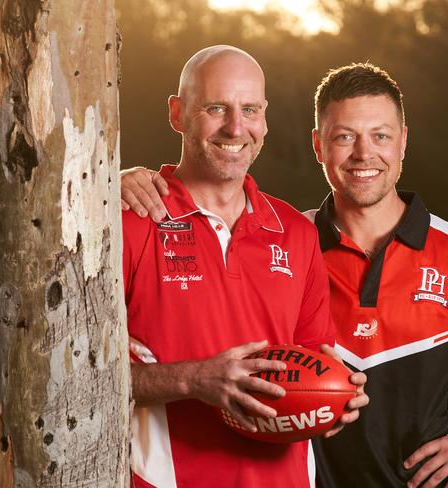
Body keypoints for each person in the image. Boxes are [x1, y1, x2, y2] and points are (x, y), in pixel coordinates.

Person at [122, 63, 448, 487]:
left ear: (403, 143)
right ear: (318, 144)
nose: (364, 154)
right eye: (344, 137)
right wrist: (116, 183)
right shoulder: (287, 241)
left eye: (380, 135)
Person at [122, 45, 367, 488]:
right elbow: (80, 377)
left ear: (265, 119)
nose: (236, 127)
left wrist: (339, 398)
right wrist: (194, 379)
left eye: (249, 109)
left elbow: (314, 364)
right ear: (177, 113)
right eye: (216, 108)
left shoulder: (295, 232)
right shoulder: (129, 221)